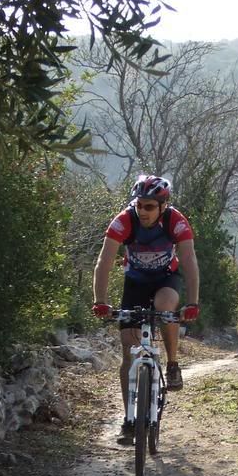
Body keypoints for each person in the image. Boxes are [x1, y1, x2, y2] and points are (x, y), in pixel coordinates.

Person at [92, 174, 200, 445]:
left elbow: (188, 261)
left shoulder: (176, 221)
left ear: (163, 206)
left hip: (166, 279)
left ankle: (173, 362)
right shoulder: (124, 220)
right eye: (139, 205)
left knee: (165, 307)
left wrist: (193, 303)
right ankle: (129, 419)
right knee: (128, 352)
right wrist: (100, 301)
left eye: (150, 206)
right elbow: (104, 262)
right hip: (136, 282)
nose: (143, 211)